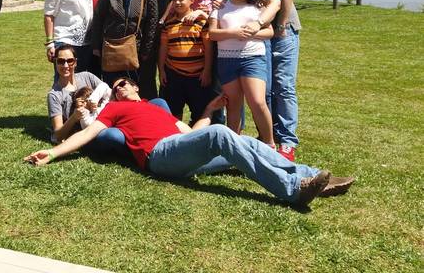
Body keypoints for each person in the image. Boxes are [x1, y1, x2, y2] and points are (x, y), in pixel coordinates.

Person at [26, 79, 355, 206]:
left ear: (136, 87)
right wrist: (52, 152)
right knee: (222, 134)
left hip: (182, 150)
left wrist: (208, 112)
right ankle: (292, 190)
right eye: (114, 87)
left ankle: (311, 177)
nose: (119, 88)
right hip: (160, 156)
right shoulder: (113, 110)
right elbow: (86, 134)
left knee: (246, 142)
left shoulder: (156, 108)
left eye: (123, 83)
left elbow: (191, 132)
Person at [48, 46, 168, 154]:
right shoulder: (55, 95)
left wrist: (96, 100)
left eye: (69, 61)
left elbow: (110, 93)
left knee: (159, 103)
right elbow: (58, 135)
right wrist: (74, 117)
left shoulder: (86, 76)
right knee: (113, 135)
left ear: (75, 62)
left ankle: (170, 132)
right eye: (61, 61)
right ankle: (141, 148)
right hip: (90, 133)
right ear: (55, 62)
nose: (65, 65)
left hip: (108, 117)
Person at [249, 0, 302, 161]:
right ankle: (268, 136)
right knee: (267, 87)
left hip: (283, 30)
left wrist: (281, 23)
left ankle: (287, 141)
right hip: (265, 32)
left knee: (283, 85)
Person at [209, 0, 276, 148]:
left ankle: (269, 144)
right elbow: (212, 34)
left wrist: (251, 33)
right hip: (227, 60)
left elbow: (270, 32)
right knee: (233, 104)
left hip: (252, 59)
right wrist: (234, 33)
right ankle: (234, 147)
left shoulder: (258, 7)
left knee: (257, 102)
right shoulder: (220, 7)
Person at [90, 0, 158, 89]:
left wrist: (145, 51)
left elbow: (152, 23)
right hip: (111, 49)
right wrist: (96, 45)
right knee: (112, 90)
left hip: (135, 51)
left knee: (133, 91)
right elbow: (98, 17)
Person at [158, 0, 217, 126]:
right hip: (173, 74)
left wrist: (207, 71)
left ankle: (196, 136)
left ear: (191, 0)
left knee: (199, 112)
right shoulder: (169, 24)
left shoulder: (201, 22)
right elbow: (163, 48)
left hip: (197, 76)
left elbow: (208, 48)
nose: (177, 2)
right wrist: (161, 70)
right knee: (173, 113)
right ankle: (176, 137)